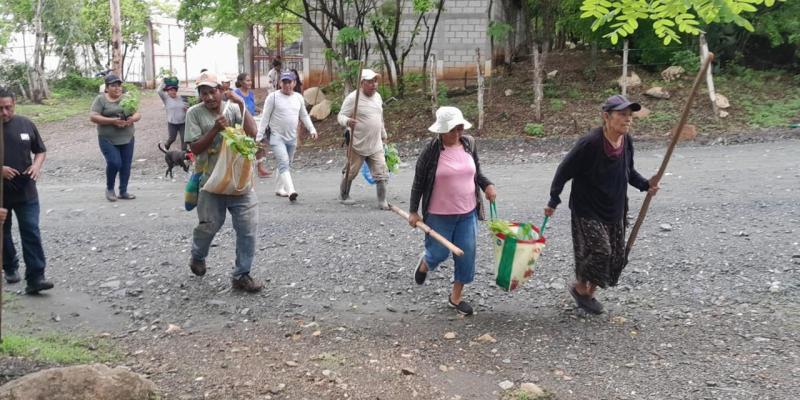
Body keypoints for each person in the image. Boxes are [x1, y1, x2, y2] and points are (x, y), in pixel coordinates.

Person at [545, 94, 660, 315]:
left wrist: (646, 185)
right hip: (587, 208)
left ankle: (589, 293)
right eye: (622, 115)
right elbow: (564, 170)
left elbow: (628, 172)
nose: (628, 120)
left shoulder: (626, 141)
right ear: (606, 116)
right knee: (600, 250)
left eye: (630, 115)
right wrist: (554, 198)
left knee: (616, 255)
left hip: (614, 207)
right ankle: (579, 287)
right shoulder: (590, 143)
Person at [407, 106, 496, 316]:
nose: (457, 133)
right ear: (440, 131)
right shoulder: (430, 152)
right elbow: (418, 183)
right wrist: (413, 211)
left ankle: (455, 298)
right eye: (452, 130)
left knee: (467, 255)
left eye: (459, 128)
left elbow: (476, 173)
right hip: (439, 215)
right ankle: (425, 263)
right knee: (438, 253)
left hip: (468, 213)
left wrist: (487, 185)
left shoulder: (468, 144)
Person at [184, 71, 264, 293]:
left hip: (239, 180)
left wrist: (240, 105)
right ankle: (198, 256)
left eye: (212, 91)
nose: (209, 97)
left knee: (247, 229)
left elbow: (253, 132)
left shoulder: (233, 108)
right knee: (209, 225)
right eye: (204, 93)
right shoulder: (194, 114)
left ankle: (241, 274)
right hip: (211, 180)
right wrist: (215, 129)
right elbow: (195, 148)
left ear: (221, 91)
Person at [1, 86, 53, 294]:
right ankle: (10, 266)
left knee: (31, 230)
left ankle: (36, 277)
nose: (4, 113)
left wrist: (36, 166)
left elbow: (40, 151)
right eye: (0, 108)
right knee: (3, 233)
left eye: (8, 108)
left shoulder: (26, 124)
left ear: (14, 104)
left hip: (26, 190)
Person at [257, 71, 318, 202]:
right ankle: (291, 190)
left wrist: (312, 129)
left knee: (286, 163)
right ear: (280, 83)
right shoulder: (272, 97)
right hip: (276, 136)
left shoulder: (298, 97)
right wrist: (259, 135)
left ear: (294, 83)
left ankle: (279, 188)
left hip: (291, 137)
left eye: (289, 82)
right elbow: (265, 118)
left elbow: (304, 115)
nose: (287, 85)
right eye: (284, 82)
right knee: (284, 162)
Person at [337, 69, 391, 209]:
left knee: (381, 172)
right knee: (351, 171)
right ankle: (344, 195)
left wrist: (383, 134)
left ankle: (382, 201)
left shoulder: (378, 97)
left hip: (375, 143)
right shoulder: (352, 98)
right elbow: (340, 116)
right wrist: (347, 121)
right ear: (362, 83)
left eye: (375, 81)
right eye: (370, 82)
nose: (374, 84)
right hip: (357, 143)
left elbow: (380, 118)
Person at [90, 74, 141, 202]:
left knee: (126, 165)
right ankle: (110, 189)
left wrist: (132, 119)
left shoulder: (127, 98)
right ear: (107, 88)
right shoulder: (100, 100)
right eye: (113, 85)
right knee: (114, 162)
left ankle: (123, 191)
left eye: (119, 85)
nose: (117, 88)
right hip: (108, 139)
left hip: (127, 137)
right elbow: (93, 117)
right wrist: (112, 121)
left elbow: (137, 113)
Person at [156, 79, 188, 150]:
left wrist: (187, 110)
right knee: (172, 138)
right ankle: (167, 145)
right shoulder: (166, 99)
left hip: (183, 123)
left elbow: (188, 108)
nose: (173, 92)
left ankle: (183, 155)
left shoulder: (181, 98)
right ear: (167, 91)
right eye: (171, 90)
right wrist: (163, 82)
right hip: (172, 124)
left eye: (174, 90)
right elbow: (159, 91)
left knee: (184, 139)